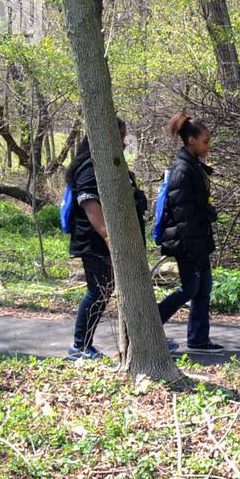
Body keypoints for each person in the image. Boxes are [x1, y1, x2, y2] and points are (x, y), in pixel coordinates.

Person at [65, 119, 149, 361]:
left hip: (117, 242)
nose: (123, 143)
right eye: (119, 137)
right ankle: (80, 346)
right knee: (98, 292)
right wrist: (110, 239)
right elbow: (90, 205)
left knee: (117, 290)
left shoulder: (112, 165)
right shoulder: (90, 168)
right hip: (95, 242)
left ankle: (139, 340)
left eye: (124, 136)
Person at [156, 113, 221, 351]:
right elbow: (182, 216)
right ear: (191, 140)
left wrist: (208, 212)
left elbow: (195, 207)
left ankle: (198, 339)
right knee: (190, 288)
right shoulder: (182, 171)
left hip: (199, 241)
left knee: (203, 289)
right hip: (187, 244)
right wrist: (194, 248)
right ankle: (151, 324)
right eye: (205, 141)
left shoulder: (195, 168)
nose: (208, 146)